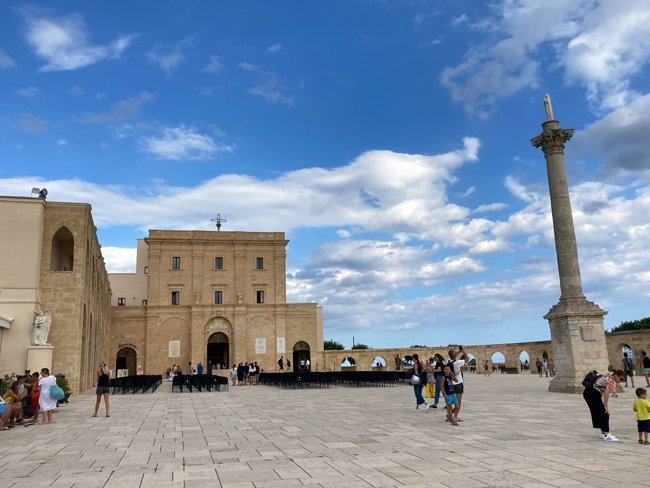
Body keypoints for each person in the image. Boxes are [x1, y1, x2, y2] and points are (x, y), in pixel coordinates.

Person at [583, 369, 625, 441]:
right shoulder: (612, 381)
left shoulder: (608, 377)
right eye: (620, 379)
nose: (620, 381)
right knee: (605, 413)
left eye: (622, 380)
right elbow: (606, 393)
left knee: (598, 412)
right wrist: (606, 406)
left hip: (588, 392)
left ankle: (603, 433)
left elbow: (600, 388)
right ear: (615, 375)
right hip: (592, 394)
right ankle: (606, 434)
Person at [448, 347, 467, 421]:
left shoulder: (448, 361)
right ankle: (454, 416)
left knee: (451, 401)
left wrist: (459, 351)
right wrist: (464, 352)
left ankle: (450, 415)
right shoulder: (458, 362)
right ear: (455, 355)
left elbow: (453, 356)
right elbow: (466, 359)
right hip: (458, 383)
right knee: (458, 402)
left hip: (451, 384)